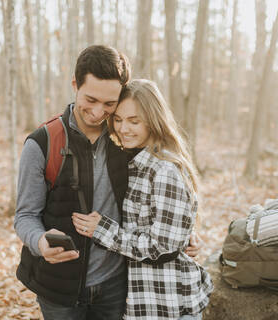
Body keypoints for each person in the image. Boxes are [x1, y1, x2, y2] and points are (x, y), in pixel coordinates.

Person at [14, 45, 200, 320]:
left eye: (109, 104)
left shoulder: (125, 140)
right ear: (75, 84)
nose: (99, 112)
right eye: (91, 99)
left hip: (116, 286)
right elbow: (25, 216)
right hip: (58, 289)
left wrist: (182, 233)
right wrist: (39, 242)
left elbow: (158, 196)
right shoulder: (43, 143)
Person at [72, 79, 213, 320]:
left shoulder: (164, 170)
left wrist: (103, 231)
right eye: (118, 119)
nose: (123, 128)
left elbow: (162, 247)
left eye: (133, 121)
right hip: (146, 303)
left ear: (153, 120)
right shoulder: (136, 162)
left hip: (170, 305)